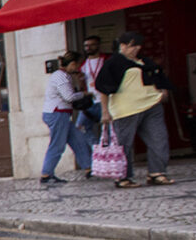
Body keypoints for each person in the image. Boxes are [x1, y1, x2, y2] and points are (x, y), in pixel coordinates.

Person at [95, 31, 175, 187]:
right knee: (124, 145)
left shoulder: (145, 62)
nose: (136, 49)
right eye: (132, 46)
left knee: (159, 139)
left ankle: (157, 173)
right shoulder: (114, 63)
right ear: (122, 46)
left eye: (138, 46)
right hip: (127, 109)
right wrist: (105, 111)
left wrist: (163, 89)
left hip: (152, 105)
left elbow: (157, 76)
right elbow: (103, 88)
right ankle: (123, 177)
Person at [40, 52, 94, 184]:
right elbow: (69, 97)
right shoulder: (61, 77)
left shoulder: (65, 76)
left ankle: (89, 167)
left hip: (62, 114)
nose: (78, 68)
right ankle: (46, 174)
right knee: (57, 145)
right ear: (72, 64)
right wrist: (85, 94)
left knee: (78, 140)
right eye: (77, 65)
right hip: (57, 113)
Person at [77, 34, 108, 144]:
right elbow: (82, 85)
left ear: (98, 45)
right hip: (91, 101)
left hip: (106, 101)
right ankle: (96, 150)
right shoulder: (83, 65)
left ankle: (108, 156)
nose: (88, 48)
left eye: (92, 45)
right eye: (86, 46)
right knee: (80, 127)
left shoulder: (106, 60)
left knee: (107, 131)